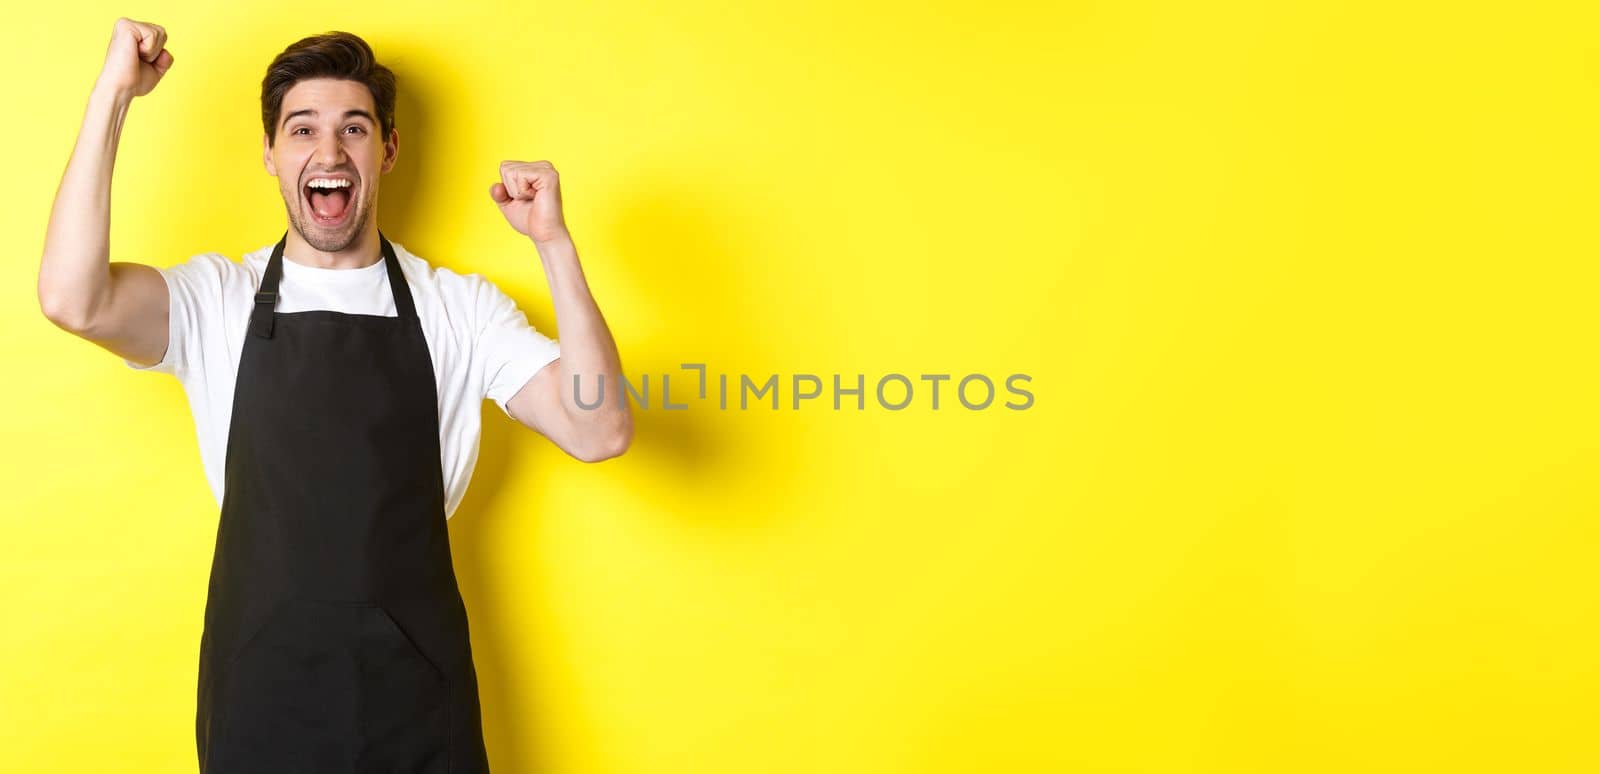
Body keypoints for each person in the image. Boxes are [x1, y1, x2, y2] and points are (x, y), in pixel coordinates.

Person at [37, 18, 632, 773]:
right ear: (270, 154)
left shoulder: (460, 309)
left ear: (386, 151)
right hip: (260, 696)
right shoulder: (216, 299)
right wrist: (114, 93)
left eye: (354, 128)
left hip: (418, 703)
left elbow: (599, 427)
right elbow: (70, 299)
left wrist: (554, 244)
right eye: (302, 129)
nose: (329, 152)